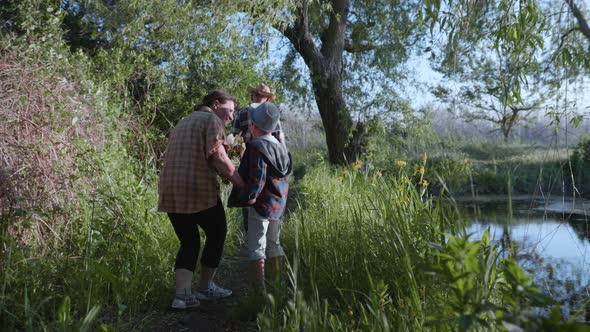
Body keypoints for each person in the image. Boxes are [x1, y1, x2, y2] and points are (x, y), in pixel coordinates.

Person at [158, 90, 245, 310]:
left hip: (170, 190)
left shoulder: (184, 121)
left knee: (189, 241)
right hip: (196, 188)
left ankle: (182, 296)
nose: (232, 117)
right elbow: (218, 158)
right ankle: (206, 287)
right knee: (218, 232)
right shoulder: (211, 120)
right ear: (216, 104)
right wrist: (241, 183)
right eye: (230, 110)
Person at [228, 102, 292, 288]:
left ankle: (260, 289)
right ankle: (278, 283)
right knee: (274, 242)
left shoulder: (257, 146)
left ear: (254, 126)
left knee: (257, 246)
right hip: (278, 204)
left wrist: (249, 197)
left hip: (262, 203)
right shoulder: (281, 147)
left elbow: (258, 177)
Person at [230, 83, 285, 232]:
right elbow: (234, 140)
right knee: (257, 201)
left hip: (261, 164)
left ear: (267, 99)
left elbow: (280, 143)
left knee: (261, 201)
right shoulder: (244, 113)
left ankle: (261, 242)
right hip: (257, 164)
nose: (259, 97)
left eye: (262, 95)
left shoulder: (247, 113)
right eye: (258, 94)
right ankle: (257, 242)